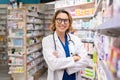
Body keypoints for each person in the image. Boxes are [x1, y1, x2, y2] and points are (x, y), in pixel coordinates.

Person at [42, 9, 90, 80]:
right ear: (54, 21)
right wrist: (74, 58)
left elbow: (85, 60)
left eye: (66, 20)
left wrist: (66, 67)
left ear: (69, 23)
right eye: (59, 20)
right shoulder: (47, 40)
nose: (62, 23)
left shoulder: (75, 39)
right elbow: (53, 64)